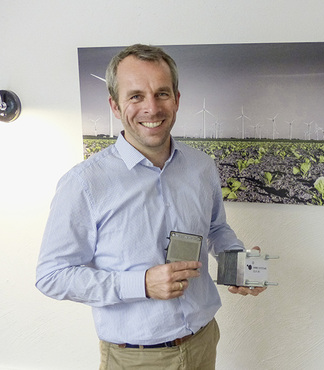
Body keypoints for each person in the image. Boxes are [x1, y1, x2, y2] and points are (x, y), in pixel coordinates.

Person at [36, 43, 266, 370]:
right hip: (135, 358)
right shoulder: (84, 184)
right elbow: (52, 276)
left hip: (203, 343)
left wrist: (238, 265)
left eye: (162, 93)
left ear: (177, 99)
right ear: (115, 105)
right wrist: (141, 284)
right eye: (136, 96)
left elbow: (215, 228)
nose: (151, 108)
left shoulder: (201, 167)